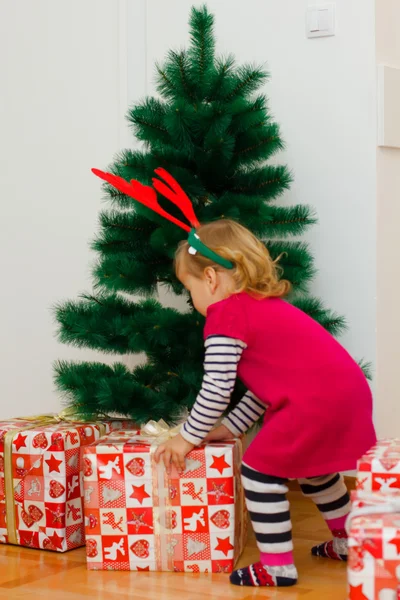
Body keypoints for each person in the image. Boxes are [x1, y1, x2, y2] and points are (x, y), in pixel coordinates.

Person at [154, 218, 376, 588]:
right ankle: (350, 540)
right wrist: (229, 429)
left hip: (315, 402)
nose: (192, 299)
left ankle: (276, 567)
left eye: (188, 288)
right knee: (317, 470)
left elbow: (216, 388)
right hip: (343, 393)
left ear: (210, 279)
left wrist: (187, 437)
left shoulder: (225, 316)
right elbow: (265, 388)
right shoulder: (263, 307)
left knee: (258, 472)